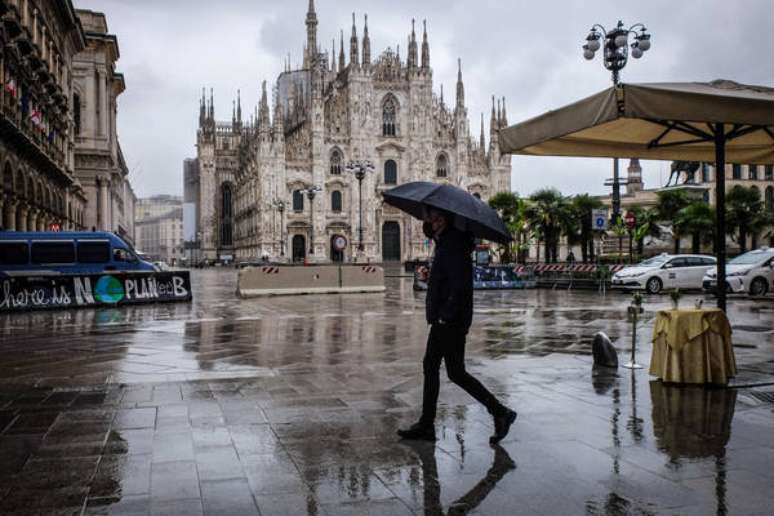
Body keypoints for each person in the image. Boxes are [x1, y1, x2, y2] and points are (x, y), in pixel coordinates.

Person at [398, 208, 517, 443]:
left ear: (445, 220)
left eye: (435, 217)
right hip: (452, 318)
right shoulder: (449, 243)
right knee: (455, 372)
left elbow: (459, 286)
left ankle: (427, 425)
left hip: (450, 320)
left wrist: (445, 315)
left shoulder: (452, 245)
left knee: (433, 366)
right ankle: (500, 412)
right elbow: (450, 279)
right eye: (430, 217)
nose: (430, 221)